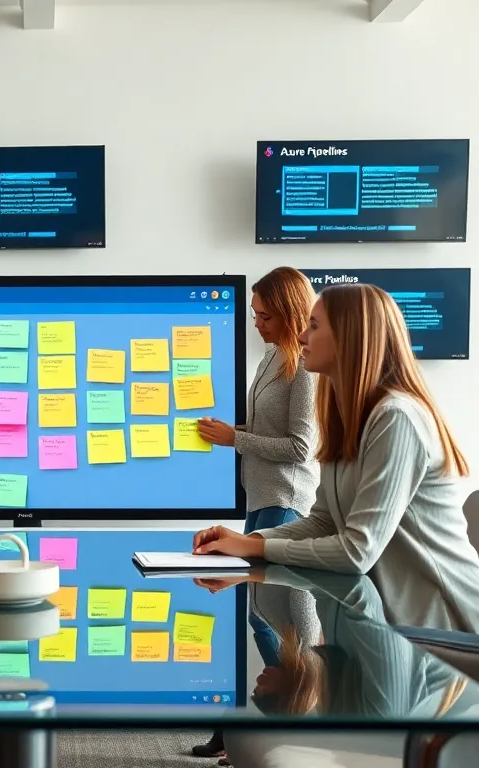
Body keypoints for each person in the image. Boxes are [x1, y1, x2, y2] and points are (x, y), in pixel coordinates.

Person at [192, 284, 479, 637]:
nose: (301, 333)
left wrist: (256, 547)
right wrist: (245, 542)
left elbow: (357, 551)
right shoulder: (348, 418)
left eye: (313, 325)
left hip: (445, 634)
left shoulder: (396, 418)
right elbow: (324, 521)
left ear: (349, 338)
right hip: (388, 623)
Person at [191, 266, 319, 760]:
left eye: (264, 315)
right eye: (255, 314)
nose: (257, 323)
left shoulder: (305, 368)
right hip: (261, 501)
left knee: (283, 621)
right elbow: (271, 427)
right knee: (260, 615)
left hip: (286, 503)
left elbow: (301, 447)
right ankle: (262, 719)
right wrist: (234, 429)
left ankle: (288, 718)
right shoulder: (272, 358)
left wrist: (235, 438)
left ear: (288, 313)